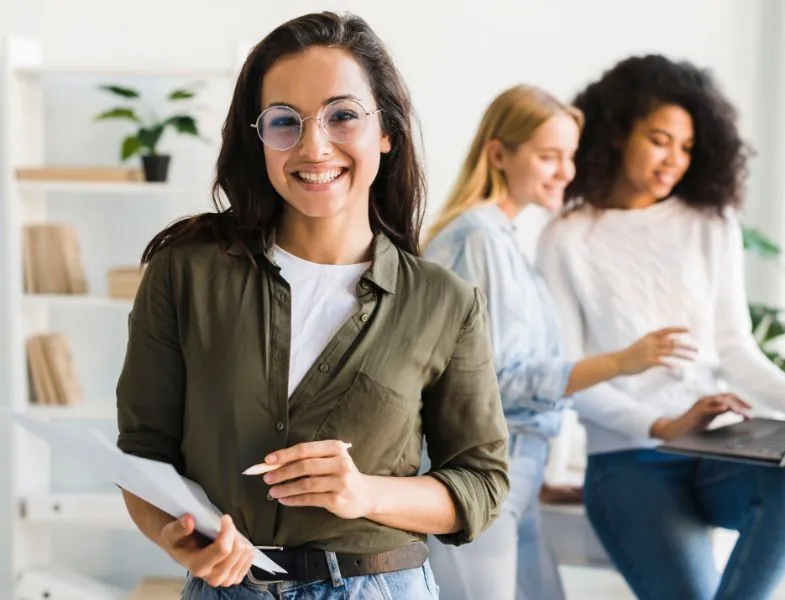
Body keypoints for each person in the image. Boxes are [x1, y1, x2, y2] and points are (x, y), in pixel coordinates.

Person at [115, 12, 510, 599]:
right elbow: (143, 454)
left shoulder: (444, 302)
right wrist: (178, 541)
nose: (313, 145)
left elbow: (481, 484)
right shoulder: (186, 272)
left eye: (342, 115)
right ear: (260, 138)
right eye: (284, 122)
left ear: (387, 132)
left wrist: (363, 493)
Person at [538, 55, 785, 600]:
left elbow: (734, 348)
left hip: (719, 449)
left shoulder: (711, 222)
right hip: (627, 458)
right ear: (619, 132)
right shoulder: (567, 237)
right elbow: (568, 377)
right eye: (659, 139)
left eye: (687, 147)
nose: (674, 159)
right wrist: (662, 424)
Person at [423, 84, 696, 600]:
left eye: (569, 156)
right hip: (483, 480)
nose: (566, 172)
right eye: (550, 156)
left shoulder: (504, 240)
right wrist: (622, 361)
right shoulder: (477, 237)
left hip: (515, 477)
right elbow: (500, 383)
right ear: (500, 154)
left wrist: (541, 474)